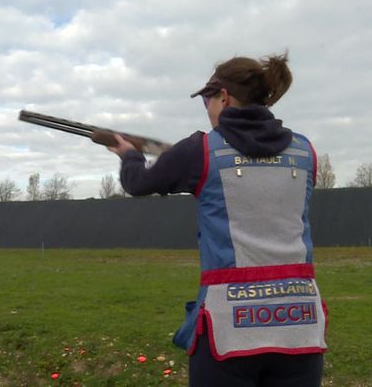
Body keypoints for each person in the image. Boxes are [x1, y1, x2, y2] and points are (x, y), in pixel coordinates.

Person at [107, 53, 327, 387]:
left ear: (223, 96)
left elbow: (138, 183)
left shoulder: (201, 150)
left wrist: (128, 154)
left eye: (207, 101)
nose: (207, 109)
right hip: (300, 322)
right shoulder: (304, 152)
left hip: (229, 327)